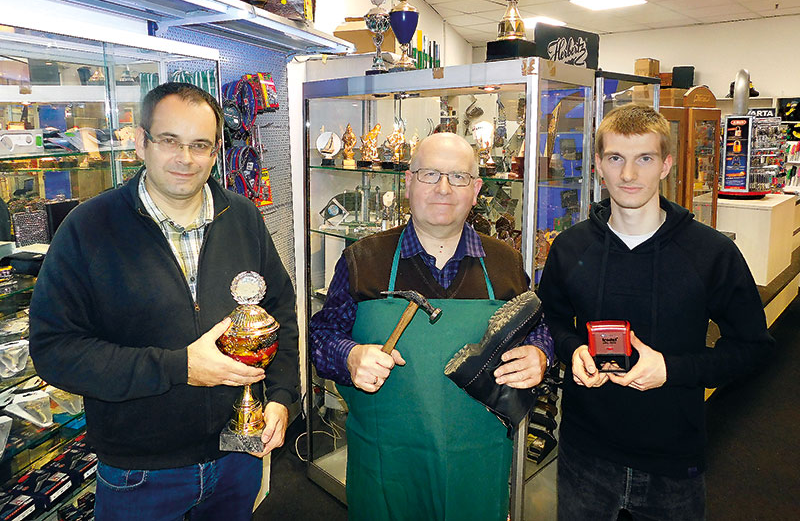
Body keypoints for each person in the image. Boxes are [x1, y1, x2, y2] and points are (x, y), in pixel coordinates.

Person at [29, 82, 299, 520]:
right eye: (169, 141)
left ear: (215, 153)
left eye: (200, 145)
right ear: (140, 143)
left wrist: (282, 398)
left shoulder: (243, 217)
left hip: (239, 455)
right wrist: (181, 368)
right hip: (141, 472)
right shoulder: (88, 228)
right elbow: (55, 351)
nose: (185, 159)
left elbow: (281, 313)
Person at [537, 103, 774, 520]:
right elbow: (552, 321)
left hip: (673, 463)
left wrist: (671, 369)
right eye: (616, 158)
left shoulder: (711, 253)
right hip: (584, 455)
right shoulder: (570, 248)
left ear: (665, 164)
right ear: (598, 165)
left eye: (644, 158)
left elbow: (753, 348)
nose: (629, 175)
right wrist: (572, 349)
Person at [310, 132, 553, 521]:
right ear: (408, 182)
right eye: (429, 175)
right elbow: (321, 337)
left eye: (458, 177)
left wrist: (540, 353)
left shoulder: (505, 263)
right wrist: (350, 355)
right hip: (386, 464)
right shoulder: (362, 259)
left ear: (476, 190)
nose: (443, 189)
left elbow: (538, 328)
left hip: (476, 462)